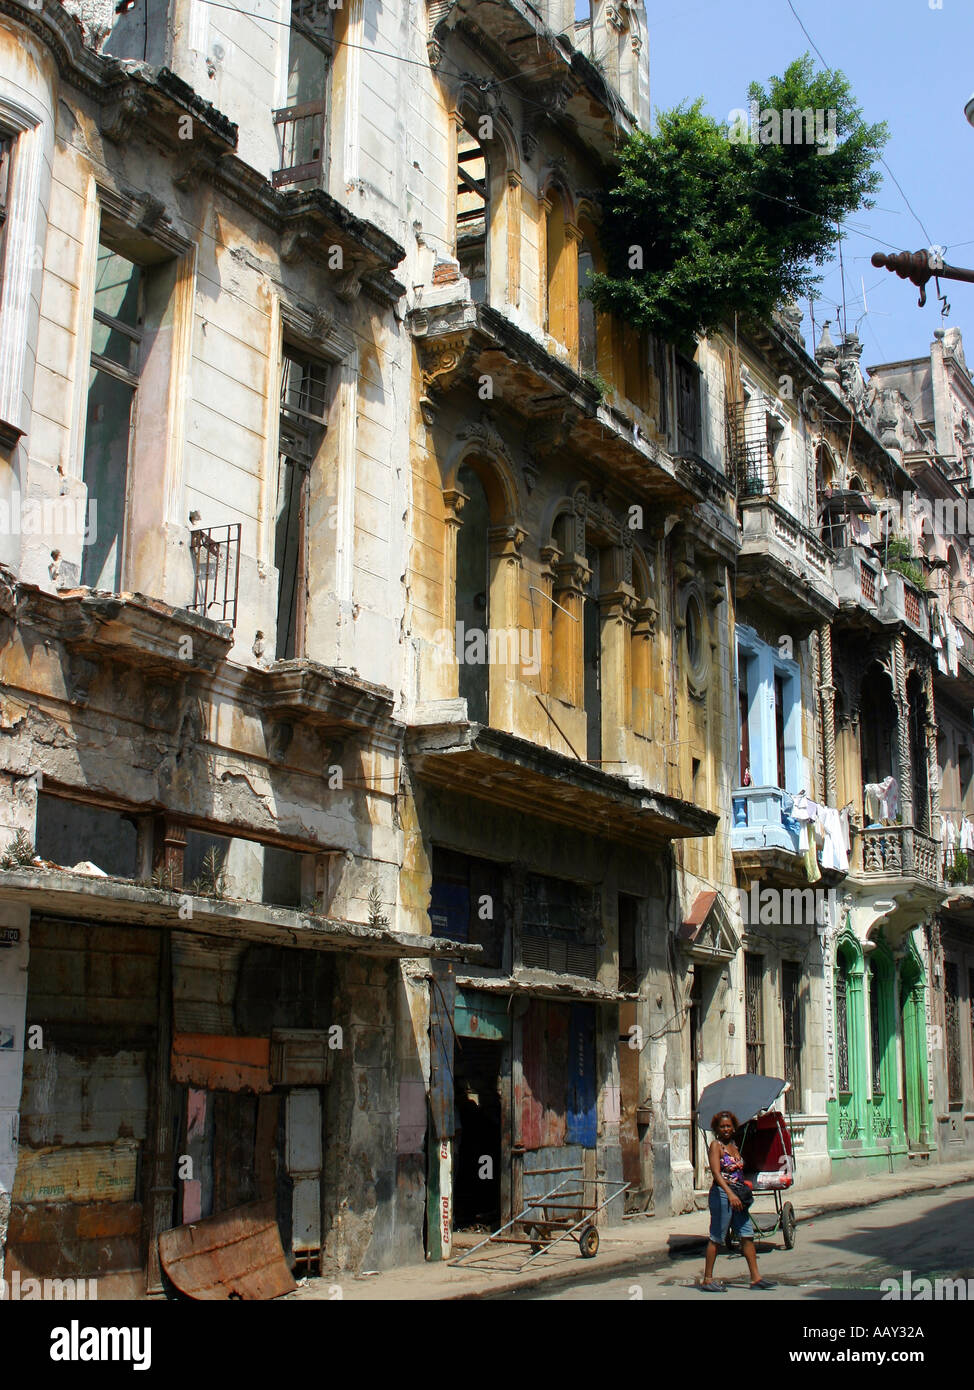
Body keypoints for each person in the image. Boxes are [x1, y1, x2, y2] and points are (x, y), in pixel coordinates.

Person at [698, 1110, 776, 1292]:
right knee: (717, 1237)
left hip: (738, 1196)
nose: (726, 1129)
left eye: (729, 1126)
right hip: (722, 1194)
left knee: (747, 1235)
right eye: (722, 1126)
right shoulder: (716, 1146)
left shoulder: (734, 1145)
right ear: (717, 1129)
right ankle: (707, 1279)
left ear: (734, 1128)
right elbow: (716, 1173)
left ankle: (756, 1278)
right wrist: (730, 1195)